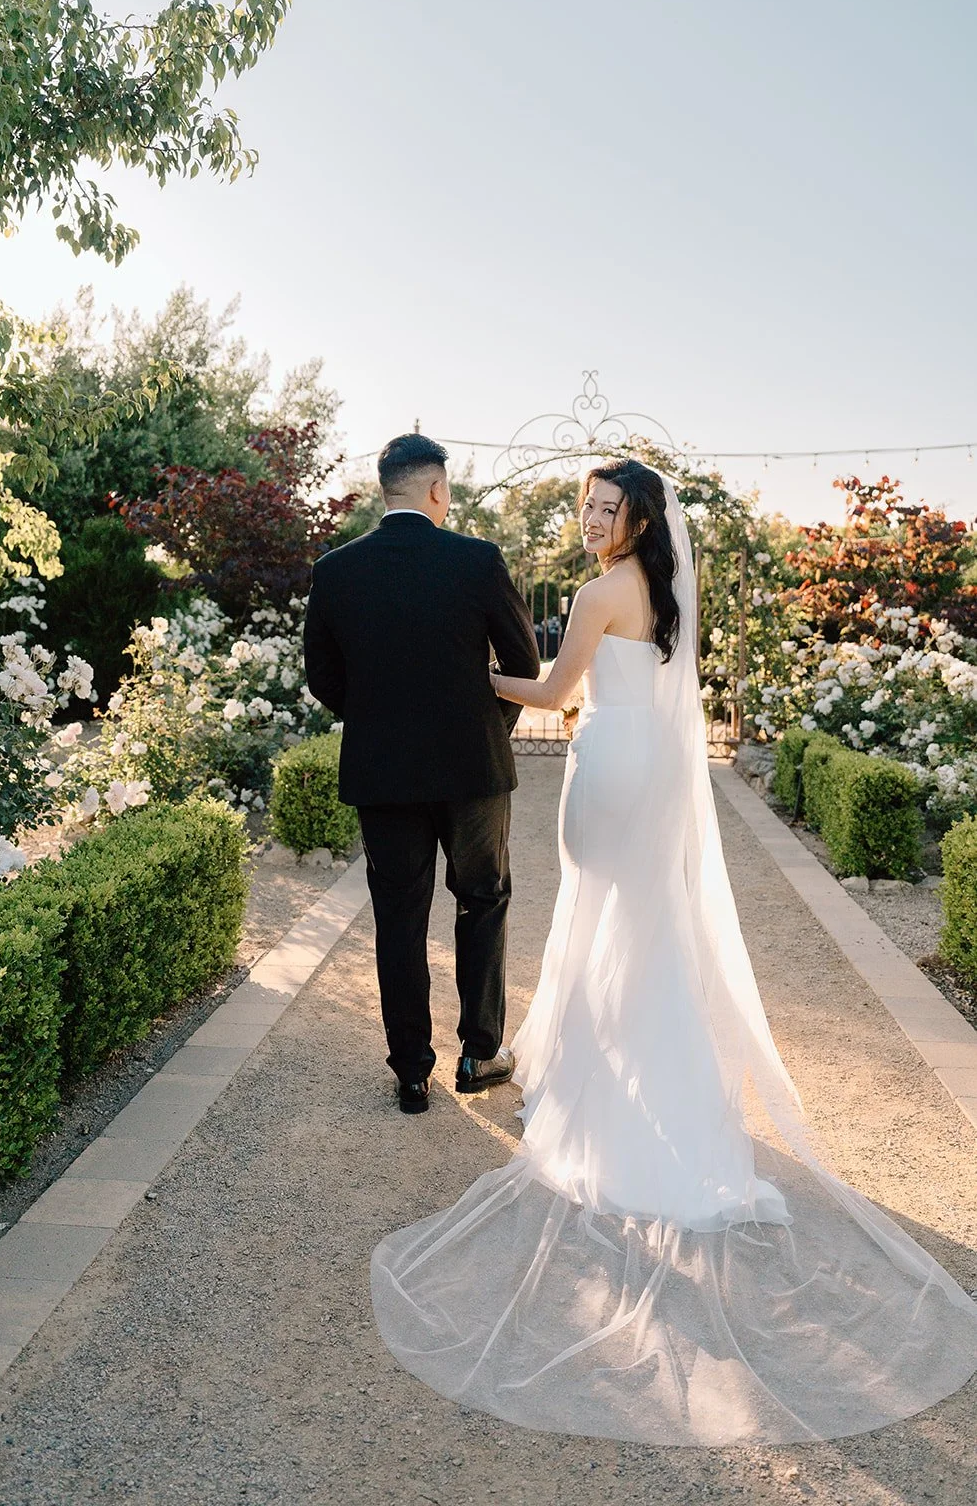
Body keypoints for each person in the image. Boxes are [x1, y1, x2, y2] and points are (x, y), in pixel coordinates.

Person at [370, 458, 977, 1445]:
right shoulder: (666, 588)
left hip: (607, 764)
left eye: (603, 508)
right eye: (583, 506)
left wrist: (471, 674)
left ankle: (613, 1121)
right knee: (639, 933)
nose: (586, 520)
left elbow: (552, 689)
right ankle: (672, 1113)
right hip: (648, 763)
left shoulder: (596, 590)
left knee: (603, 924)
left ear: (636, 516)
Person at [303, 433, 541, 1113]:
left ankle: (411, 1070)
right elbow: (522, 667)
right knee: (482, 900)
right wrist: (488, 729)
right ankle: (478, 1053)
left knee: (399, 921)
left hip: (383, 774)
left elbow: (323, 676)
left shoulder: (338, 569)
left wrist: (381, 721)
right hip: (473, 770)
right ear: (437, 489)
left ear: (387, 490)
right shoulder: (476, 560)